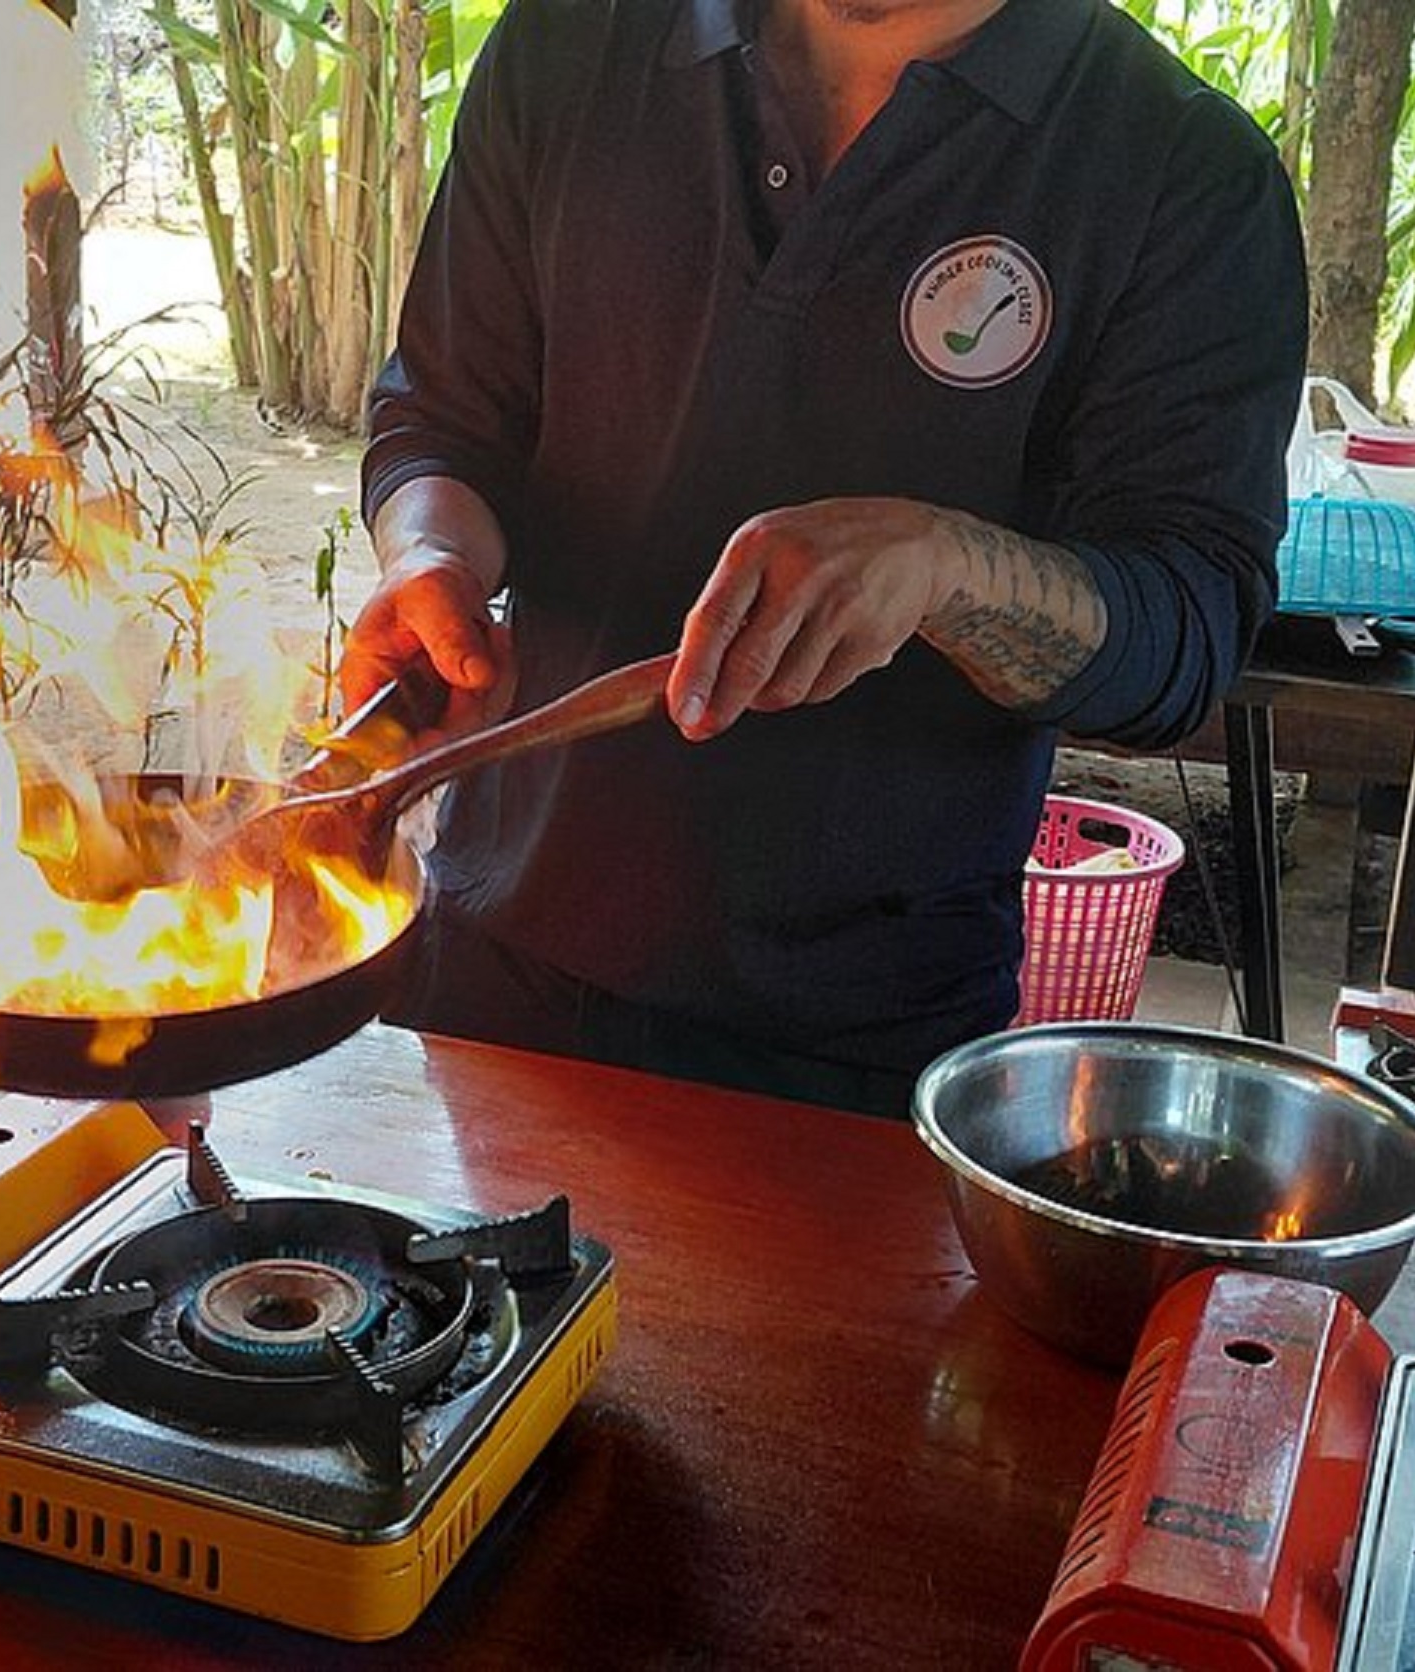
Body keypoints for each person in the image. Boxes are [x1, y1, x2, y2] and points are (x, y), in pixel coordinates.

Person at [349, 0, 1308, 1116]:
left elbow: (1185, 629)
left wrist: (946, 569)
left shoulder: (1177, 169)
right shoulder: (572, 42)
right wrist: (431, 556)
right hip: (491, 959)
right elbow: (445, 420)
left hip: (852, 1043)